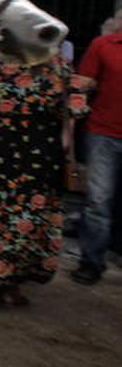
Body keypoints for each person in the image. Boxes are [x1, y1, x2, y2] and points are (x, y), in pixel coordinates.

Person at [0, 55, 87, 308]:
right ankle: (12, 287)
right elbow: (71, 117)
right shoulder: (60, 68)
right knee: (30, 218)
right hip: (42, 151)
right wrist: (60, 150)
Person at [72, 22, 122, 285]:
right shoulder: (103, 45)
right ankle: (91, 262)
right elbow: (81, 85)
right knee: (98, 201)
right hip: (104, 134)